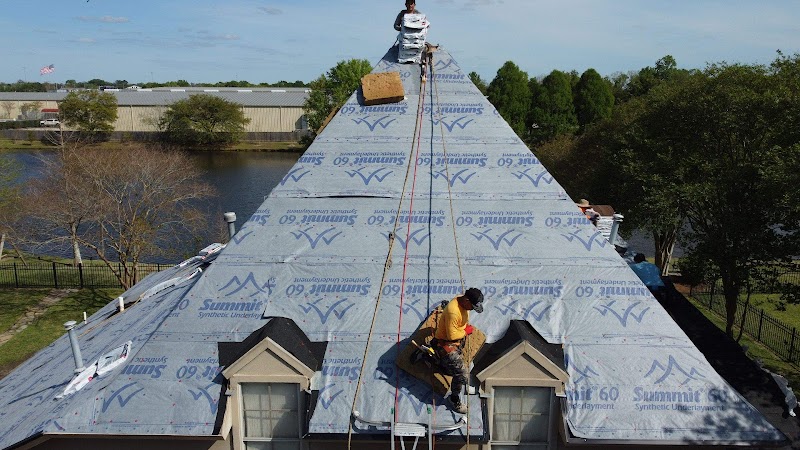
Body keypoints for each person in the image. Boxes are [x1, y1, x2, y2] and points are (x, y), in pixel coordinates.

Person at [433, 287, 483, 414]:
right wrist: (466, 331)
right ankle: (454, 399)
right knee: (462, 375)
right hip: (445, 342)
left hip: (456, 339)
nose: (472, 309)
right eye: (471, 306)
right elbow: (451, 336)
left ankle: (440, 362)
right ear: (466, 300)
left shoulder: (463, 302)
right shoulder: (453, 312)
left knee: (454, 367)